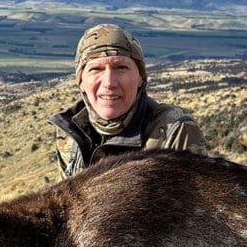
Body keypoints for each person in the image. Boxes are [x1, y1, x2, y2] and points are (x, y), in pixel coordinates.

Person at [49, 23, 207, 178]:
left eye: (121, 68)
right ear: (81, 82)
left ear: (140, 78)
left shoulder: (175, 130)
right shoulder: (70, 129)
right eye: (96, 69)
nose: (109, 82)